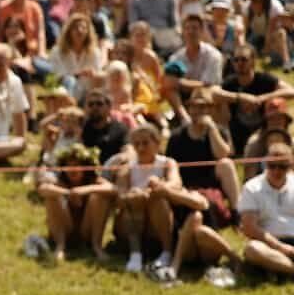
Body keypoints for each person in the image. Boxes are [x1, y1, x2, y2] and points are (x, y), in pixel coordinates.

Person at [115, 122, 186, 273]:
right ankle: (135, 254)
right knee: (133, 200)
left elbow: (176, 183)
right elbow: (119, 196)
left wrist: (154, 189)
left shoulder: (167, 163)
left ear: (157, 143)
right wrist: (133, 195)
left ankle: (167, 252)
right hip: (132, 220)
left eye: (145, 143)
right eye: (137, 144)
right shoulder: (127, 167)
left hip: (159, 219)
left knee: (158, 199)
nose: (141, 148)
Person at [166, 88, 241, 224]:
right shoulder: (176, 136)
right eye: (194, 106)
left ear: (211, 110)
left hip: (212, 181)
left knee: (226, 164)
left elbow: (223, 154)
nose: (197, 111)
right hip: (186, 183)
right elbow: (169, 165)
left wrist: (212, 129)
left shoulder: (219, 131)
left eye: (203, 107)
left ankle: (237, 213)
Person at [34, 143, 114, 262]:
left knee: (99, 197)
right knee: (53, 197)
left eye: (76, 165)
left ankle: (96, 247)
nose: (72, 170)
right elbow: (43, 189)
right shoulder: (60, 181)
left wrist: (85, 190)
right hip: (67, 228)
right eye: (68, 166)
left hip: (86, 230)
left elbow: (113, 189)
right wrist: (68, 193)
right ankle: (60, 246)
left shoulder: (93, 180)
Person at [239, 138, 294, 277]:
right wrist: (280, 247)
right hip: (268, 243)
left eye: (282, 166)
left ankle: (279, 269)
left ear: (290, 166)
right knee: (252, 249)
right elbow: (249, 228)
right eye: (272, 165)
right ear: (265, 164)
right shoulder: (252, 188)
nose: (276, 171)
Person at [169, 14, 225, 91]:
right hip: (182, 96)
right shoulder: (176, 57)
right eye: (187, 28)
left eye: (195, 28)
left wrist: (179, 82)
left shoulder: (213, 55)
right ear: (183, 32)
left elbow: (207, 84)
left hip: (206, 96)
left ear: (202, 31)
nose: (190, 32)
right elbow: (170, 82)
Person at [82, 89, 131, 163]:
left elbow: (128, 150)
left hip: (112, 171)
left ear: (109, 107)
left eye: (99, 104)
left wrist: (123, 157)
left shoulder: (120, 129)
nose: (94, 107)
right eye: (90, 104)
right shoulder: (81, 128)